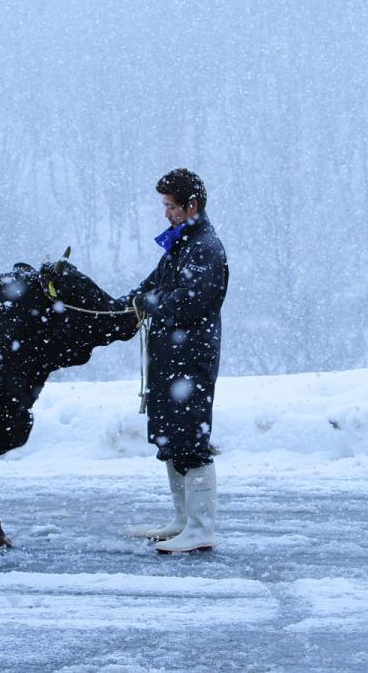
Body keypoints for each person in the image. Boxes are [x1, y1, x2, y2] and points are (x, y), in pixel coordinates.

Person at [124, 168, 228, 553]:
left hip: (191, 361)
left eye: (170, 206)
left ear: (191, 206)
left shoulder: (206, 249)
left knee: (191, 438)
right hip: (170, 360)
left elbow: (188, 302)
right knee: (170, 436)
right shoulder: (182, 244)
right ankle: (184, 519)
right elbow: (155, 284)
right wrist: (127, 303)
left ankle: (202, 528)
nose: (166, 212)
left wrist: (148, 304)